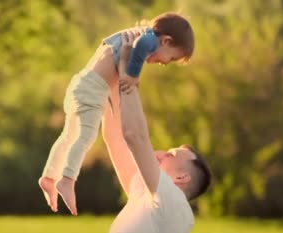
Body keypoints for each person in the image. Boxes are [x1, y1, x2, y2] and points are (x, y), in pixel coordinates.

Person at [98, 30, 212, 233]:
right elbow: (115, 136)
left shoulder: (172, 205)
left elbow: (135, 135)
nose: (162, 153)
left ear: (182, 179)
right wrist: (110, 73)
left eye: (172, 155)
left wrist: (130, 72)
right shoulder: (144, 198)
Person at [39, 12, 195, 215]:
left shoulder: (139, 36)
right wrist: (131, 77)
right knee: (85, 137)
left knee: (69, 136)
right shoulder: (146, 40)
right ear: (166, 41)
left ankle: (49, 176)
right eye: (171, 57)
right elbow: (137, 51)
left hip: (82, 84)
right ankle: (67, 180)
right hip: (93, 91)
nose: (166, 63)